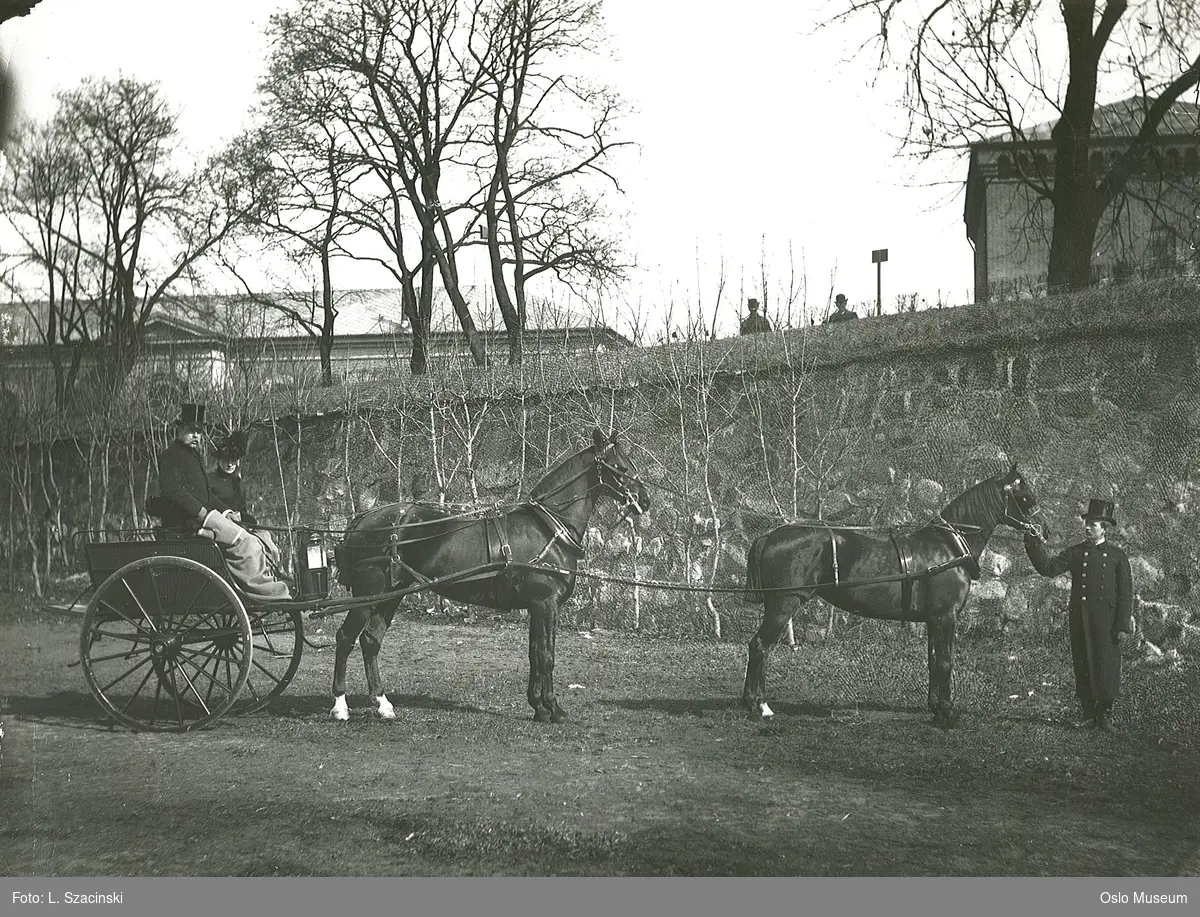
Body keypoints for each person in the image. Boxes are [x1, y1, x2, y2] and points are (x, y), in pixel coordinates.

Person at [154, 404, 290, 601]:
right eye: (191, 430)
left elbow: (207, 494)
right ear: (180, 429)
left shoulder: (193, 456)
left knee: (258, 537)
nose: (196, 436)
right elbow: (172, 491)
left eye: (199, 432)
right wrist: (200, 511)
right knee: (246, 542)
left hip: (205, 517)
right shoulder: (170, 456)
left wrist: (227, 512)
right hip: (189, 521)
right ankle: (259, 592)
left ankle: (267, 581)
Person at [1024, 498, 1133, 731]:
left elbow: (1126, 593)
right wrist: (1033, 542)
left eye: (1093, 524)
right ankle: (1087, 714)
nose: (1087, 527)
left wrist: (1122, 624)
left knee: (1106, 665)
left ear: (1105, 528)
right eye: (1086, 523)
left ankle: (1104, 715)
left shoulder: (1117, 556)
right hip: (1081, 618)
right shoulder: (1075, 553)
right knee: (1083, 663)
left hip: (1107, 621)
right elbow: (1048, 568)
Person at [209, 428, 283, 568]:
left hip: (239, 525)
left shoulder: (238, 483)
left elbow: (242, 510)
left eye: (233, 460)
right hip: (220, 528)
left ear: (238, 461)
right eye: (226, 460)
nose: (229, 464)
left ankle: (271, 571)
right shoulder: (210, 481)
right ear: (219, 460)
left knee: (266, 539)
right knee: (252, 545)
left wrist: (252, 523)